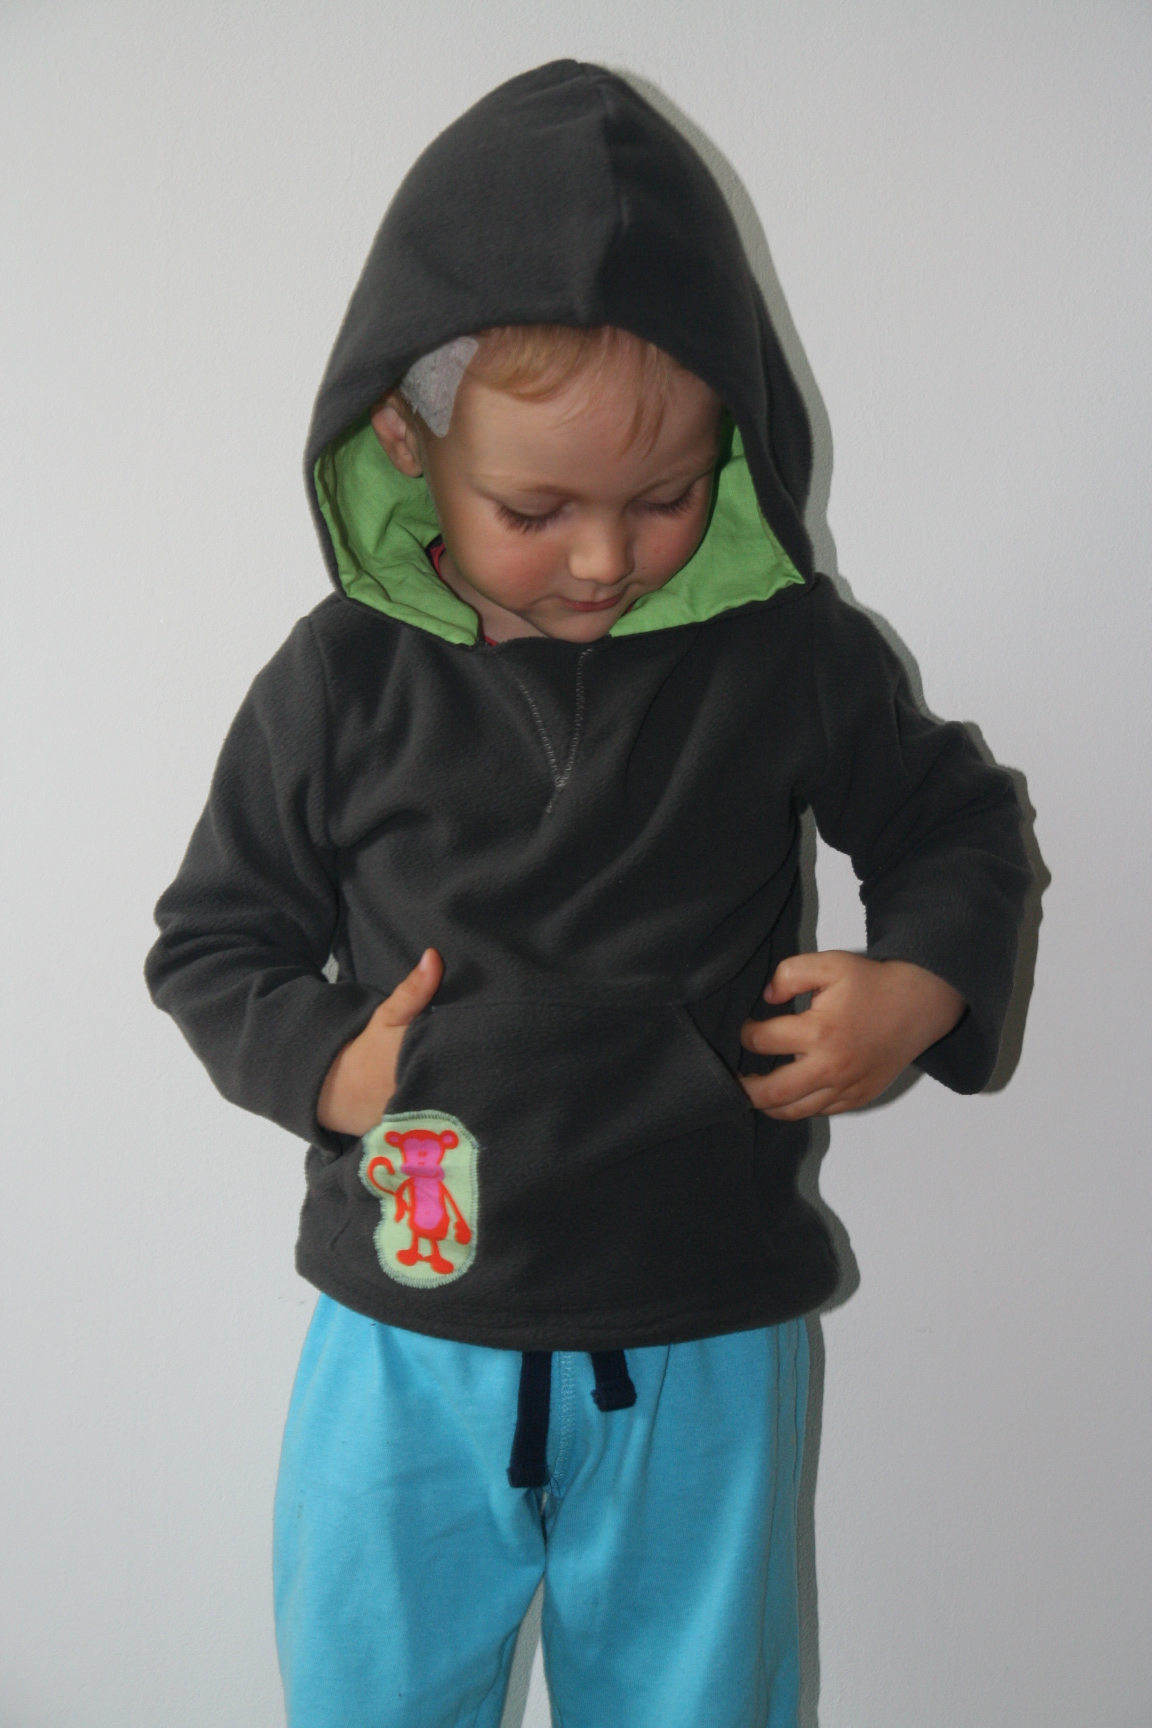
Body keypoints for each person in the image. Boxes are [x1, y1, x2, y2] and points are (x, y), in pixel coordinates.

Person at [145, 60, 1032, 1728]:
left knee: (701, 1703)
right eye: (535, 509)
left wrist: (921, 985)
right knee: (369, 1698)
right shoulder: (339, 681)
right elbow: (214, 939)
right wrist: (323, 1065)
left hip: (704, 1327)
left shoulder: (788, 655)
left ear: (734, 442)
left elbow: (959, 827)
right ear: (406, 438)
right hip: (407, 1329)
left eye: (667, 497)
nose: (608, 559)